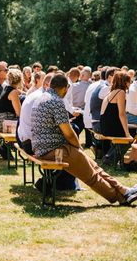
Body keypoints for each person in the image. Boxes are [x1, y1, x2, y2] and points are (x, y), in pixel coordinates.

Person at [30, 73, 137, 206]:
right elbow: (69, 133)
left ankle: (124, 190)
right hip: (54, 150)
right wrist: (78, 147)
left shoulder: (42, 98)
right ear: (66, 87)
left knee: (94, 166)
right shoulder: (56, 101)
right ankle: (120, 196)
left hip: (43, 149)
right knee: (91, 175)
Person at [100, 71, 132, 139]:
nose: (130, 83)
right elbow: (122, 114)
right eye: (129, 81)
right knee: (132, 135)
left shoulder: (112, 92)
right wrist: (127, 133)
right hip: (111, 128)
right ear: (124, 82)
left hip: (105, 127)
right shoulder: (121, 92)